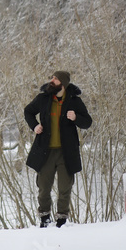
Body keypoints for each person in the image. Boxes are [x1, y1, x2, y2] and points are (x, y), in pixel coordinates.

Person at [24, 70, 92, 228]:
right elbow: (28, 111)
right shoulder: (43, 98)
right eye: (52, 78)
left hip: (66, 153)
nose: (51, 80)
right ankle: (44, 217)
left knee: (64, 187)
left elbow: (87, 122)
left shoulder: (74, 102)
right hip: (45, 151)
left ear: (63, 84)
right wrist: (35, 126)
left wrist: (76, 118)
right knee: (43, 188)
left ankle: (62, 219)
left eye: (55, 79)